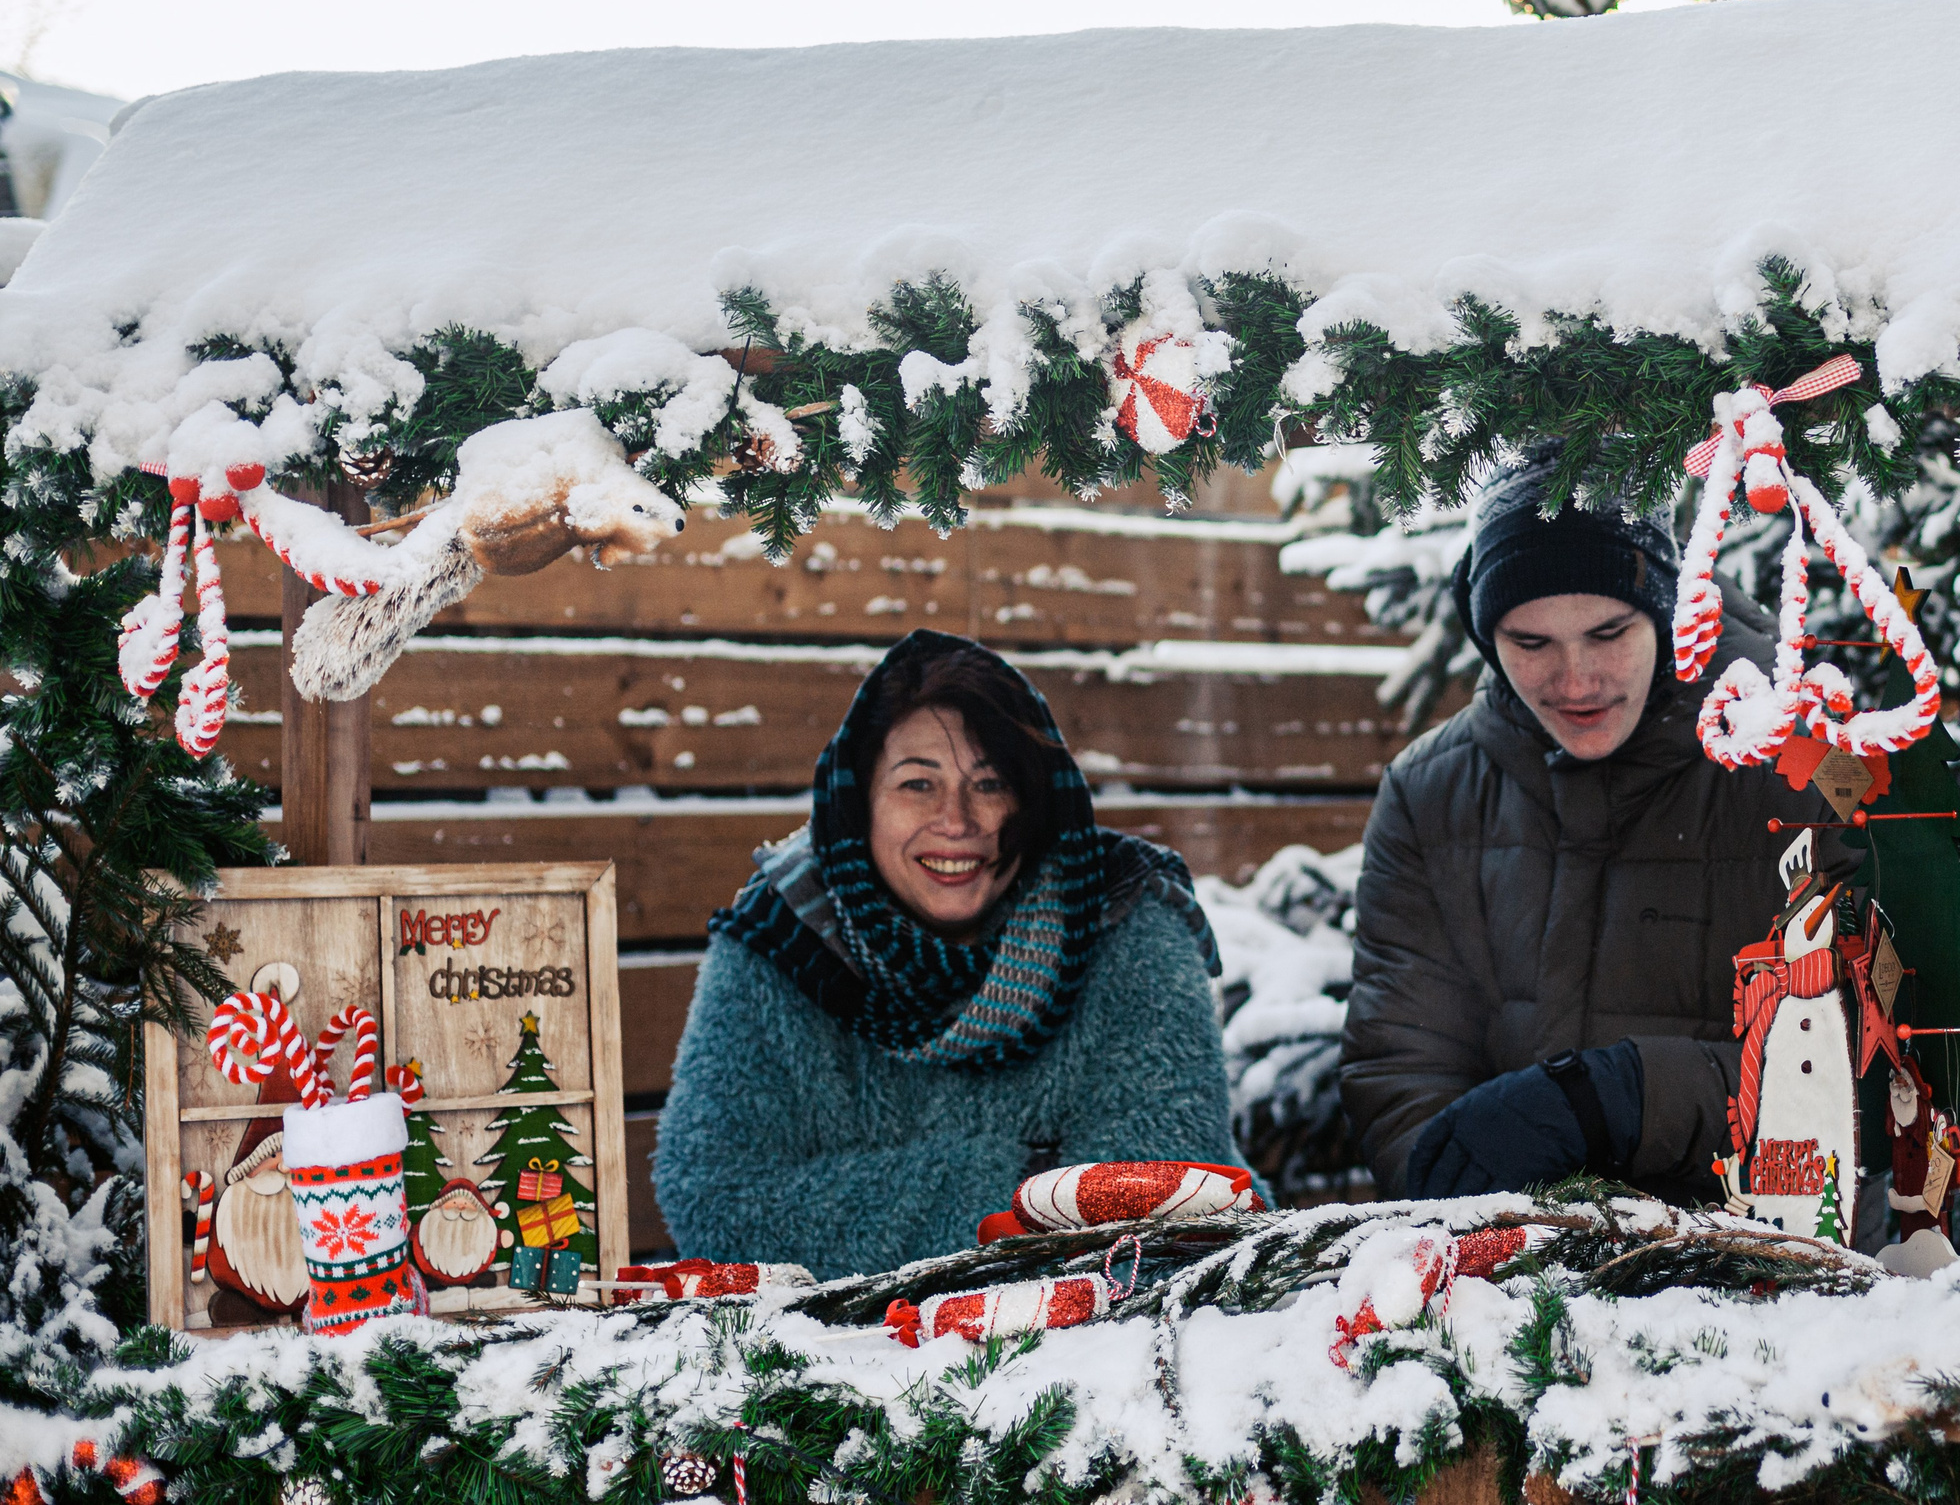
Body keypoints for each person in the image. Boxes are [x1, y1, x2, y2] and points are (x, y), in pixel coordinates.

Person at [657, 629, 1242, 1277]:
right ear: (859, 801)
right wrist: (1026, 1175)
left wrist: (866, 1205)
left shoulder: (1123, 918)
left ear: (1030, 799)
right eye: (917, 784)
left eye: (988, 784)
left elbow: (1162, 1210)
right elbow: (716, 1200)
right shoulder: (778, 937)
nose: (957, 821)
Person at [1340, 447, 1838, 1206]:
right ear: (1485, 637)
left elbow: (1873, 1071)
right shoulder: (1429, 793)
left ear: (1670, 615)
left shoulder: (1805, 765)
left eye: (1608, 633)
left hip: (1781, 1276)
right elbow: (1401, 1063)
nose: (1574, 682)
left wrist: (1633, 1094)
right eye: (1530, 643)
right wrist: (1470, 1202)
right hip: (1511, 1281)